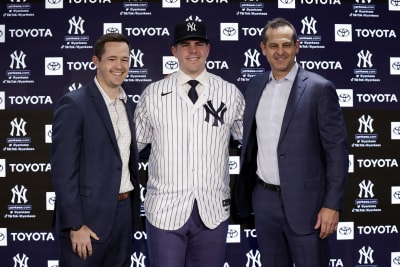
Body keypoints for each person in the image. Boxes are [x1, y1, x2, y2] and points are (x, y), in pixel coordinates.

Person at [235, 17, 349, 267]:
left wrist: (332, 205)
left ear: (297, 46)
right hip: (264, 202)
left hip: (308, 206)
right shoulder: (254, 85)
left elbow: (337, 153)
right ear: (263, 49)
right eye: (273, 46)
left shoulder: (320, 88)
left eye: (286, 45)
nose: (280, 52)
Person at [134, 19, 245, 267]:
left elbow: (252, 142)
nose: (192, 50)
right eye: (185, 44)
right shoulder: (152, 94)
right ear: (174, 51)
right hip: (164, 208)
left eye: (199, 44)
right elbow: (131, 148)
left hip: (213, 208)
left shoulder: (229, 92)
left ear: (208, 49)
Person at [50, 33, 141, 267]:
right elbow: (63, 171)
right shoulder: (74, 104)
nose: (119, 66)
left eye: (125, 59)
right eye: (112, 59)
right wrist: (75, 225)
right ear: (96, 61)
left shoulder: (127, 104)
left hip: (123, 214)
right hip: (86, 221)